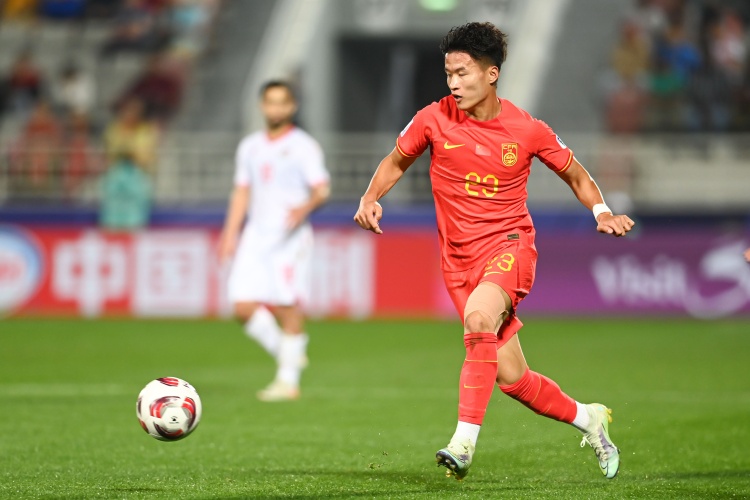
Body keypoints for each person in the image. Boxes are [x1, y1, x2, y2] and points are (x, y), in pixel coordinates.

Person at [354, 22, 635, 481]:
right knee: (512, 378)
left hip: (509, 247)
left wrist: (601, 211)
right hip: (458, 263)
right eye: (449, 73)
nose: (453, 83)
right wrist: (370, 197)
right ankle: (589, 419)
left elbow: (575, 173)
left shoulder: (527, 129)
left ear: (491, 74)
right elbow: (396, 160)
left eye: (463, 73)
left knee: (479, 320)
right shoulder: (433, 118)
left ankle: (463, 444)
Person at [219, 80, 330, 402]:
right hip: (255, 235)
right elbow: (242, 191)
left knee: (286, 304)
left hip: (289, 237)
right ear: (262, 106)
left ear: (292, 106)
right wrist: (230, 233)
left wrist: (304, 207)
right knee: (241, 305)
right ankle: (289, 352)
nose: (276, 108)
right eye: (271, 102)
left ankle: (287, 381)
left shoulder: (304, 146)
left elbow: (322, 189)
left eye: (282, 102)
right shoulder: (250, 147)